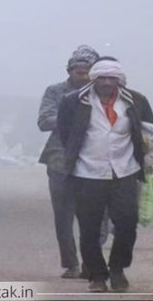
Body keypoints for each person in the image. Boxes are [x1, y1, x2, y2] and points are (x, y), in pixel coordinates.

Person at [57, 56, 153, 292]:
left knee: (126, 223)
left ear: (119, 79)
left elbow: (149, 132)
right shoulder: (74, 101)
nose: (107, 82)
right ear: (94, 78)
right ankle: (97, 276)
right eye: (103, 77)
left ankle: (118, 268)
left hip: (125, 171)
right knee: (89, 228)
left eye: (112, 78)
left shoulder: (137, 101)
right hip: (87, 172)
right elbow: (66, 133)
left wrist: (148, 160)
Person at [38, 45, 113, 279]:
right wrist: (72, 115)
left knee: (98, 215)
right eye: (77, 70)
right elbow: (44, 121)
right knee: (63, 214)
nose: (81, 74)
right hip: (60, 159)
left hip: (94, 159)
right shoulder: (55, 91)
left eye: (86, 70)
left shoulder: (105, 92)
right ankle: (71, 263)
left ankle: (92, 260)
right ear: (69, 70)